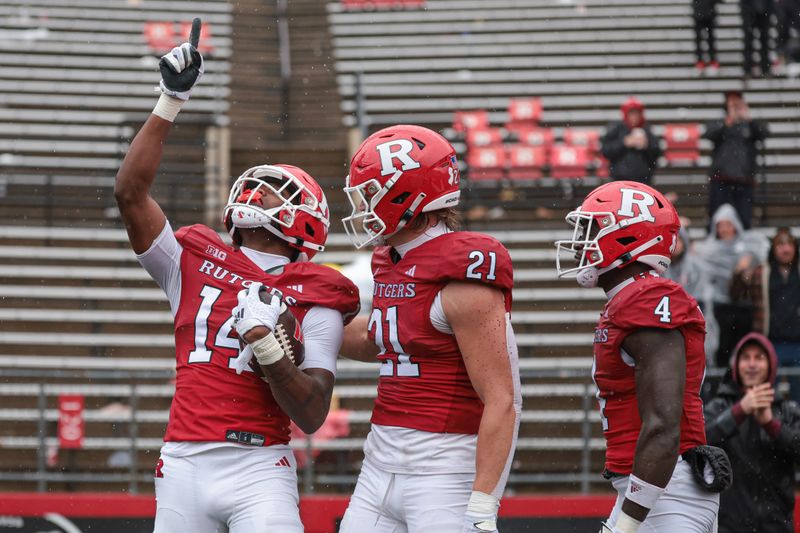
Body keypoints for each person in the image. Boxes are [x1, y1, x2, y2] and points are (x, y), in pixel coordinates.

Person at [114, 25, 360, 532]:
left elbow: (312, 413)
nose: (256, 191)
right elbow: (130, 193)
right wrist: (169, 101)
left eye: (272, 191)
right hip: (183, 460)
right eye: (256, 185)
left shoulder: (319, 290)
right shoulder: (188, 256)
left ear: (306, 219)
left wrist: (270, 350)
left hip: (259, 465)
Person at [338, 125, 521, 533]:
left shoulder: (464, 276)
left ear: (407, 196)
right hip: (378, 466)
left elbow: (502, 399)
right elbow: (382, 338)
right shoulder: (390, 259)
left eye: (371, 193)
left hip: (444, 472)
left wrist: (482, 503)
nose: (364, 204)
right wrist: (302, 322)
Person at [555, 181, 729, 532]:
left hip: (666, 492)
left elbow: (664, 427)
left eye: (591, 229)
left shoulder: (647, 299)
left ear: (627, 238)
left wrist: (626, 524)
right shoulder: (629, 298)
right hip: (652, 488)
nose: (578, 243)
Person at [704, 332, 800, 533]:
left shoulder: (788, 410)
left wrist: (771, 425)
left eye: (759, 357)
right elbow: (702, 443)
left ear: (771, 366)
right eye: (746, 358)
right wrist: (740, 411)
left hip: (776, 525)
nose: (752, 364)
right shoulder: (719, 406)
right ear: (736, 365)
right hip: (729, 525)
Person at [743, 228, 800, 400]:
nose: (785, 249)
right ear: (773, 249)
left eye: (789, 244)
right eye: (780, 244)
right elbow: (738, 293)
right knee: (769, 395)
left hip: (798, 342)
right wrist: (741, 273)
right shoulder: (762, 272)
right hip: (771, 341)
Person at [703, 91, 769, 230]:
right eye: (732, 103)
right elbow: (709, 134)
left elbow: (764, 133)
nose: (735, 106)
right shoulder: (720, 122)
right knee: (716, 215)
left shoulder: (750, 125)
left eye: (737, 102)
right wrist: (728, 121)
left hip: (744, 179)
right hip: (721, 178)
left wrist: (749, 119)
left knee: (744, 217)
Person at [601, 97, 661, 185]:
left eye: (637, 113)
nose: (634, 117)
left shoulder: (647, 129)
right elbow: (606, 151)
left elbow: (656, 152)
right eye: (631, 113)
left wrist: (646, 145)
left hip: (643, 180)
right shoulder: (617, 129)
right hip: (619, 180)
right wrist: (624, 143)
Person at [740, 0, 773, 76]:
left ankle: (765, 68)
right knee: (748, 41)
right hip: (749, 10)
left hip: (763, 9)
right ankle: (748, 68)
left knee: (764, 40)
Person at [693, 0, 721, 72]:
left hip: (706, 14)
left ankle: (707, 60)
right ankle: (703, 60)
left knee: (708, 39)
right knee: (702, 39)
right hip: (703, 14)